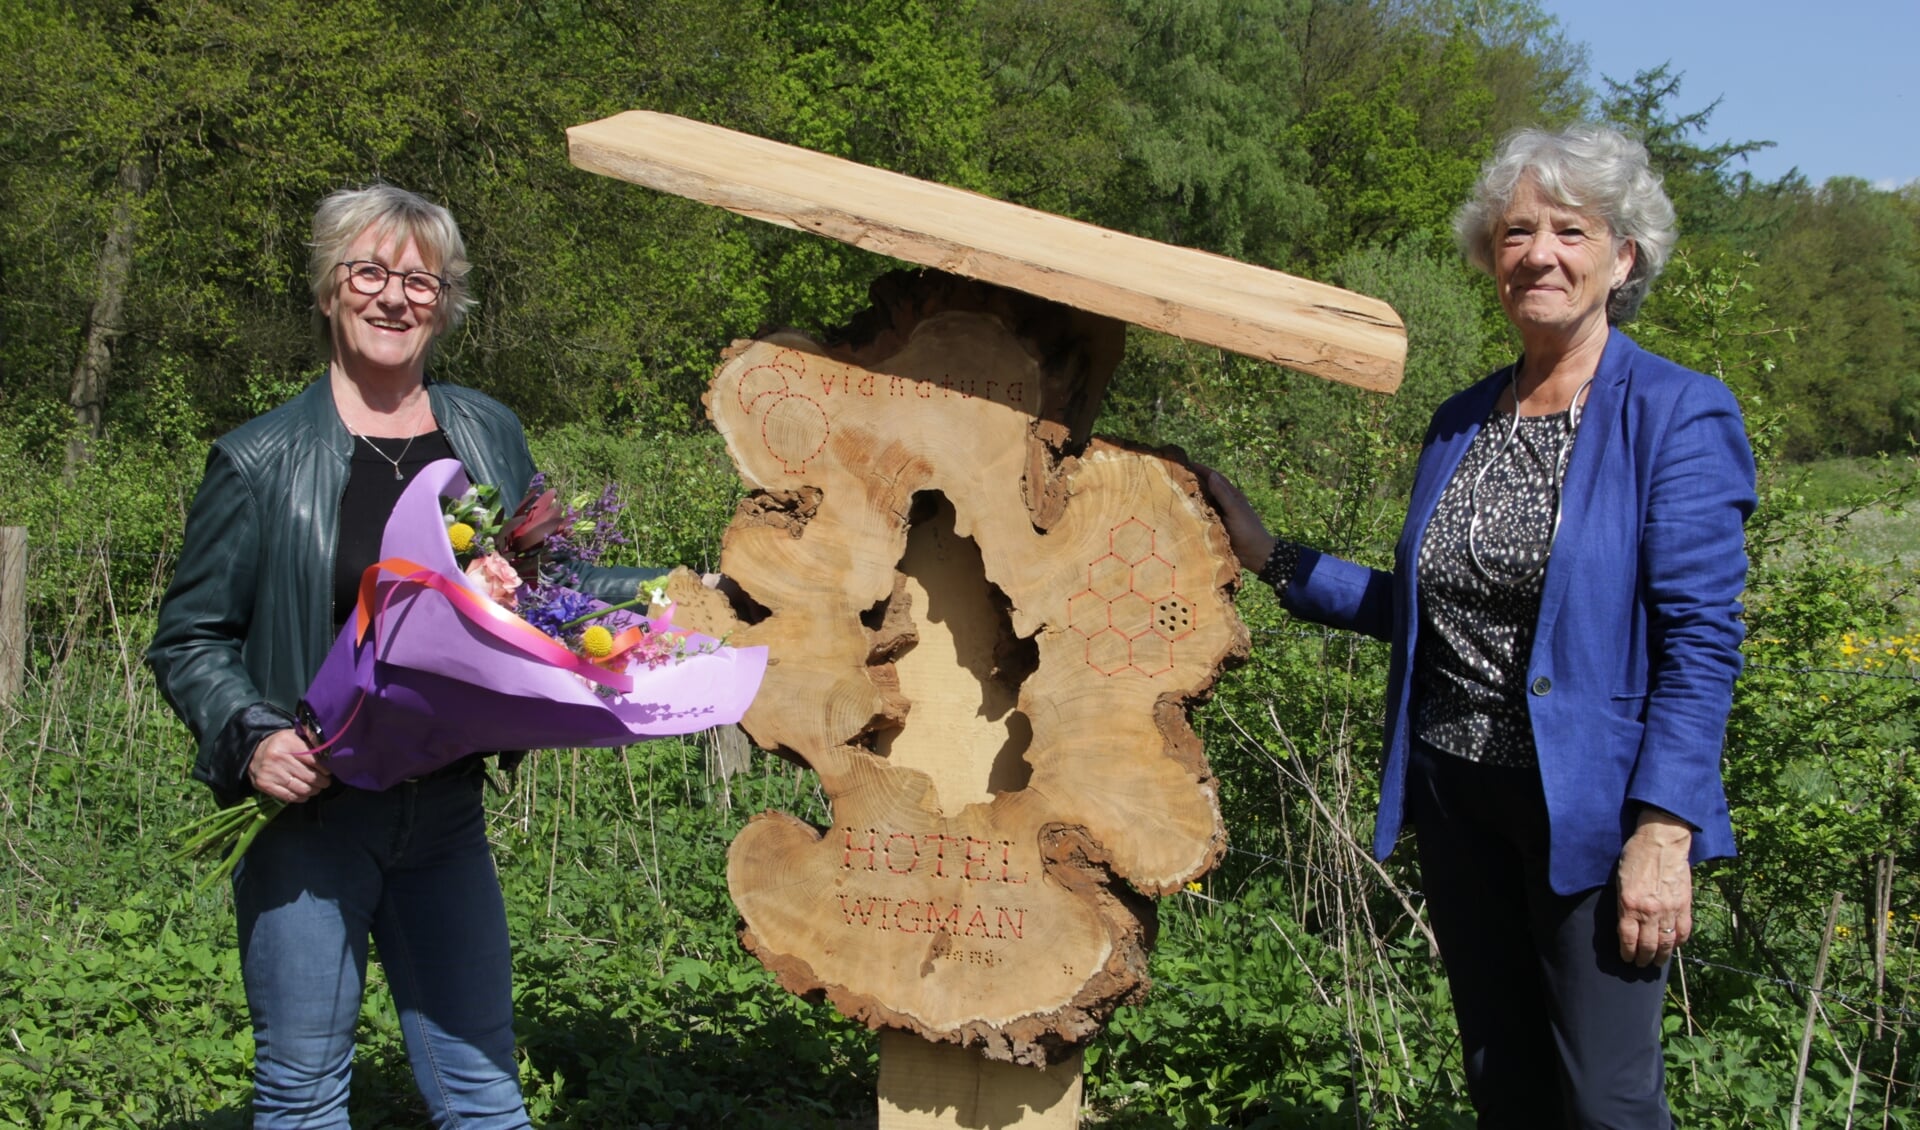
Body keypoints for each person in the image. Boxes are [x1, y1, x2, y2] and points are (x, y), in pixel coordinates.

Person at [1206, 124, 1755, 1127]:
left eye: (1570, 231)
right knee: (1504, 1082)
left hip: (1592, 817)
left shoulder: (1678, 414)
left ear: (1622, 256)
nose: (1538, 253)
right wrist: (1274, 558)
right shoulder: (1462, 419)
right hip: (1459, 802)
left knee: (1606, 1097)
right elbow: (1429, 613)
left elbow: (1702, 644)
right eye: (1514, 233)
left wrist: (1663, 831)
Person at [148, 184, 658, 1128]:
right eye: (370, 272)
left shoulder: (485, 431)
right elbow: (189, 637)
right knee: (302, 1099)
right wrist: (252, 734)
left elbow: (551, 587)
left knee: (485, 1092)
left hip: (446, 815)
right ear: (328, 289)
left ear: (447, 301)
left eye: (420, 280)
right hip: (312, 821)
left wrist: (675, 598)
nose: (395, 297)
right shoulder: (258, 461)